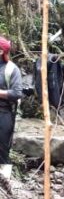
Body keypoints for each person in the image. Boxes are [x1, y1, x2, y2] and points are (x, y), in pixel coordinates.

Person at [0, 36, 27, 166]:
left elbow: (17, 93)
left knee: (2, 151)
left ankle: (4, 183)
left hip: (3, 113)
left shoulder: (11, 69)